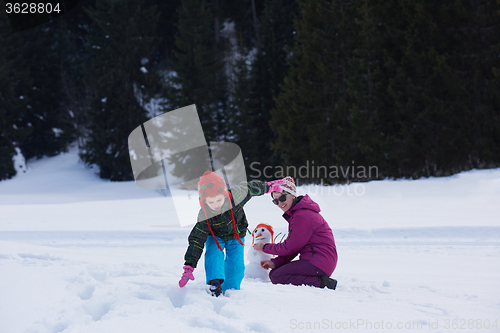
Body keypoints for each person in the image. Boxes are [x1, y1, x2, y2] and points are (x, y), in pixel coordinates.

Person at [178, 170, 274, 296]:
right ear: (204, 201)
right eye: (210, 202)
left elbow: (250, 188)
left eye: (218, 200)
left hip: (236, 234)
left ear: (225, 195)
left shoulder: (236, 197)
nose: (215, 205)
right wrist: (189, 266)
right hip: (215, 236)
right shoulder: (204, 215)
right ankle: (215, 284)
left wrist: (270, 186)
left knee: (236, 263)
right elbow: (196, 240)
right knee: (214, 254)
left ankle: (231, 289)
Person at [253, 176, 338, 289]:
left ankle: (323, 283)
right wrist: (276, 262)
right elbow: (295, 247)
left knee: (277, 276)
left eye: (282, 198)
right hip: (319, 261)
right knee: (276, 273)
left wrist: (265, 247)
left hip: (319, 262)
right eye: (275, 201)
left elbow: (290, 247)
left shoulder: (302, 216)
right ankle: (319, 280)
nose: (279, 203)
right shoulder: (297, 214)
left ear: (292, 194)